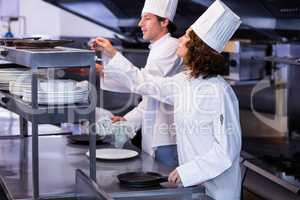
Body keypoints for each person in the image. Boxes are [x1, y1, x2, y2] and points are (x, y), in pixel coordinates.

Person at [93, 0, 242, 199]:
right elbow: (144, 83)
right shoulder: (184, 81)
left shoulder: (219, 92)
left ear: (198, 47)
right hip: (194, 184)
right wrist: (112, 57)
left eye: (187, 36)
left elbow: (226, 151)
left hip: (218, 189)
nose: (180, 39)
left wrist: (187, 171)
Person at [93, 0, 182, 167]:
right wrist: (126, 121)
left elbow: (144, 83)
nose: (140, 24)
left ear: (164, 22)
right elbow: (150, 96)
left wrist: (112, 55)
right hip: (156, 138)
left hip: (166, 138)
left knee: (168, 187)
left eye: (147, 18)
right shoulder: (157, 48)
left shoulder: (171, 46)